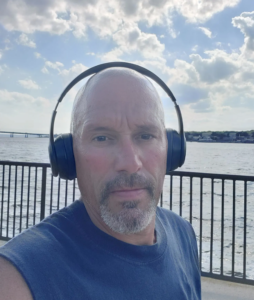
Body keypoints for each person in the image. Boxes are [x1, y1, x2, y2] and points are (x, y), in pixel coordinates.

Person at [0, 67, 201, 299]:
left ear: (172, 150)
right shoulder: (17, 278)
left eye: (146, 136)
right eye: (102, 138)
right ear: (68, 156)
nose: (130, 162)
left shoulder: (184, 234)